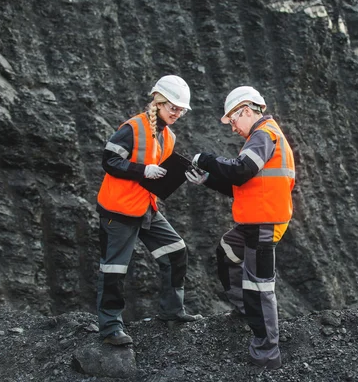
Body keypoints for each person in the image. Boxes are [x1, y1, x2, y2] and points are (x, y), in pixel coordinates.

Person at [185, 86, 295, 369]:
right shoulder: (261, 138)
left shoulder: (263, 134)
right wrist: (206, 179)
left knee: (259, 287)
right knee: (227, 251)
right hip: (255, 222)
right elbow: (244, 186)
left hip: (264, 224)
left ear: (246, 110)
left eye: (233, 120)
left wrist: (207, 160)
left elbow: (240, 170)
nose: (232, 127)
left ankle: (266, 354)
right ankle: (248, 311)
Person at [96, 75, 196, 346]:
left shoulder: (169, 136)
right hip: (118, 211)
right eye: (173, 107)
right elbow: (109, 160)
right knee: (114, 269)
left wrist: (183, 175)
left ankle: (172, 311)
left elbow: (158, 176)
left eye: (181, 109)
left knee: (176, 251)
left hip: (145, 207)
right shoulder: (133, 128)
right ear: (158, 101)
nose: (177, 113)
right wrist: (142, 170)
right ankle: (110, 329)